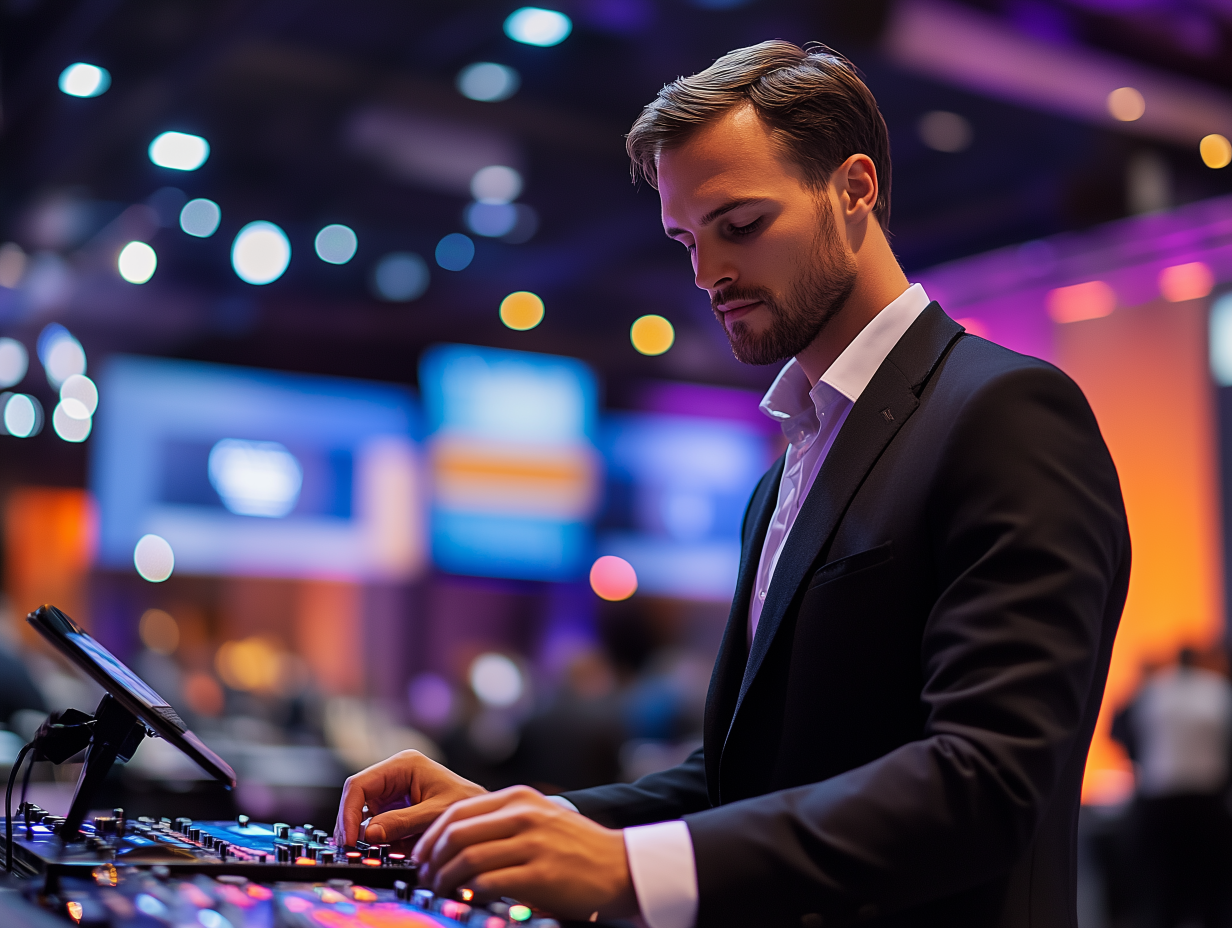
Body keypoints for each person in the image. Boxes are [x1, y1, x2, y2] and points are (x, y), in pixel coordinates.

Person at [335, 41, 1131, 928]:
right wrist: (524, 822)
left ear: (854, 189)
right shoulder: (784, 469)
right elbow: (741, 774)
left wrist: (629, 871)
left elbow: (988, 780)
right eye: (686, 239)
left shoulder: (1005, 410)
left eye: (741, 224)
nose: (707, 272)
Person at [1112, 647, 1232, 927]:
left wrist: (1143, 762)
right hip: (1209, 804)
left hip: (1160, 803)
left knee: (1162, 895)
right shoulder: (1219, 691)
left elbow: (1120, 731)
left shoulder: (1151, 691)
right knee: (1213, 897)